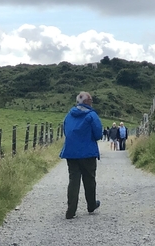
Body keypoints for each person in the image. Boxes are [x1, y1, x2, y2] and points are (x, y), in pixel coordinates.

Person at [59, 91, 103, 219]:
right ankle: (91, 205)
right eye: (91, 101)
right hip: (88, 153)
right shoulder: (91, 115)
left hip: (71, 153)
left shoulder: (69, 115)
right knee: (89, 179)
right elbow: (98, 134)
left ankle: (70, 210)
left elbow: (66, 131)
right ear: (87, 102)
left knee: (74, 180)